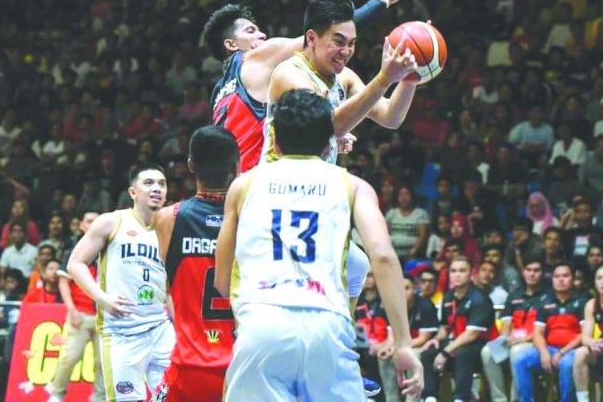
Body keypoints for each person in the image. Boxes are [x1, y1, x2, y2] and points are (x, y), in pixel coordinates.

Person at [214, 90, 422, 401]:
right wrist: (403, 343)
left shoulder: (243, 185)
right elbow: (382, 256)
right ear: (330, 142)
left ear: (274, 137)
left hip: (261, 325)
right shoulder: (353, 186)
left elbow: (221, 281)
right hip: (326, 326)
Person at [205, 0, 421, 171]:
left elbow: (390, 117)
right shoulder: (261, 60)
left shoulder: (220, 91)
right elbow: (330, 31)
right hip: (256, 189)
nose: (262, 35)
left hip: (227, 185)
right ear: (231, 44)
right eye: (251, 31)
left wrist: (411, 74)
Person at [263, 0, 418, 165]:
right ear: (312, 38)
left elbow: (390, 116)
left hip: (316, 186)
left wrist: (411, 76)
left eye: (351, 43)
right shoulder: (289, 74)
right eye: (339, 42)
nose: (346, 52)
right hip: (277, 186)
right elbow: (330, 126)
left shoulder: (345, 77)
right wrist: (383, 79)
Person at [68, 164, 175, 402]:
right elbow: (75, 263)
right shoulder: (111, 222)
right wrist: (102, 297)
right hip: (121, 331)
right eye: (148, 183)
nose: (157, 188)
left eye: (162, 183)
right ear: (133, 192)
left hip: (160, 329)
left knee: (174, 396)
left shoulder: (170, 227)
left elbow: (171, 285)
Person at [154, 126, 240, 402]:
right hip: (245, 365)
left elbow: (161, 288)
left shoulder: (168, 218)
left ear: (190, 165)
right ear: (237, 166)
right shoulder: (254, 217)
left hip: (190, 366)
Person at [420, 255, 495, 402]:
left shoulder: (480, 298)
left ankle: (461, 398)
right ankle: (430, 397)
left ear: (471, 273)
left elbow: (472, 334)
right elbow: (445, 327)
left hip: (481, 344)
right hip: (456, 342)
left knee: (462, 353)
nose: (457, 274)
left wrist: (446, 352)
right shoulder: (448, 297)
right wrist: (436, 339)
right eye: (453, 271)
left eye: (462, 270)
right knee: (428, 353)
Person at [47, 211, 104, 402]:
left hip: (104, 316)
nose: (93, 223)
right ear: (81, 225)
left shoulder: (109, 249)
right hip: (80, 313)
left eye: (97, 220)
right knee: (71, 356)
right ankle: (56, 394)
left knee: (102, 362)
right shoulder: (74, 249)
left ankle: (99, 398)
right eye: (89, 221)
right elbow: (63, 282)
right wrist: (71, 310)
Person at [513, 261, 586, 402]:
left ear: (573, 279)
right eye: (557, 276)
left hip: (572, 350)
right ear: (552, 280)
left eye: (565, 276)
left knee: (566, 364)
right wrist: (544, 352)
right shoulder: (544, 302)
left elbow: (584, 333)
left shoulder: (582, 302)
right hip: (550, 349)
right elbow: (537, 333)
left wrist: (561, 352)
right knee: (520, 360)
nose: (561, 279)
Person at [481, 255, 549, 402]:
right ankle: (499, 399)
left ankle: (516, 399)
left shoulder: (548, 296)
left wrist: (524, 339)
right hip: (513, 340)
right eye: (528, 270)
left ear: (542, 273)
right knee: (488, 352)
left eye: (536, 270)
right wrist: (506, 337)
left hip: (534, 342)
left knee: (516, 351)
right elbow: (506, 323)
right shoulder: (514, 295)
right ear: (523, 272)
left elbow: (547, 328)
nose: (532, 274)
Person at [377, 275, 439, 401]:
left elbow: (423, 339)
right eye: (399, 288)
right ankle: (391, 398)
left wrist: (399, 348)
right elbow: (391, 335)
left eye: (407, 288)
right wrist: (388, 348)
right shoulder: (393, 306)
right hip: (403, 345)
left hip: (423, 346)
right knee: (383, 356)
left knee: (412, 356)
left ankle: (412, 399)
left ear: (414, 288)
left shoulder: (425, 306)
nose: (403, 292)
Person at [573, 265, 603, 402]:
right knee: (580, 353)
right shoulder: (591, 304)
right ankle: (583, 400)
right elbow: (585, 337)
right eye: (599, 278)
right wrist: (592, 343)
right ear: (595, 283)